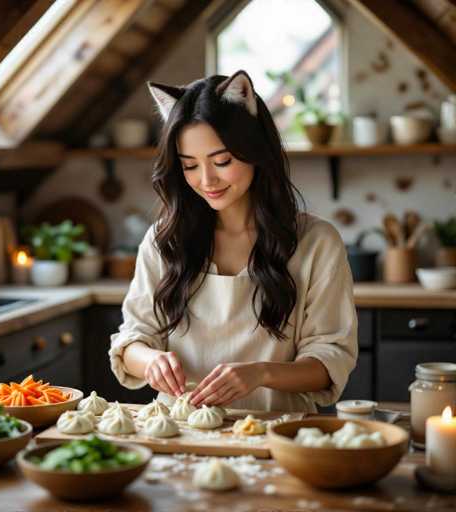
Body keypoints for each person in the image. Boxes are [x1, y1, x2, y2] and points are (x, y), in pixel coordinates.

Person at [109, 70, 357, 413]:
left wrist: (261, 373)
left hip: (279, 434)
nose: (206, 180)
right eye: (190, 166)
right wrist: (150, 360)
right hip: (179, 433)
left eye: (222, 161)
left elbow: (330, 359)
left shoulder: (317, 243)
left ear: (256, 151)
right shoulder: (164, 241)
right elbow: (133, 339)